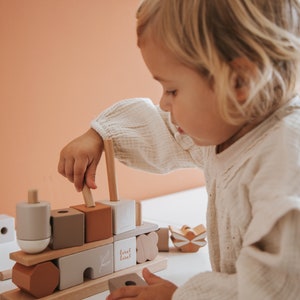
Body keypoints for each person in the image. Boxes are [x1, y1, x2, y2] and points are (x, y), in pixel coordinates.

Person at [58, 0, 300, 299]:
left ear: (238, 81)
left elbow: (276, 290)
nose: (163, 102)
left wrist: (180, 297)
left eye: (172, 90)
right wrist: (100, 133)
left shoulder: (284, 164)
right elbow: (165, 130)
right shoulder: (229, 126)